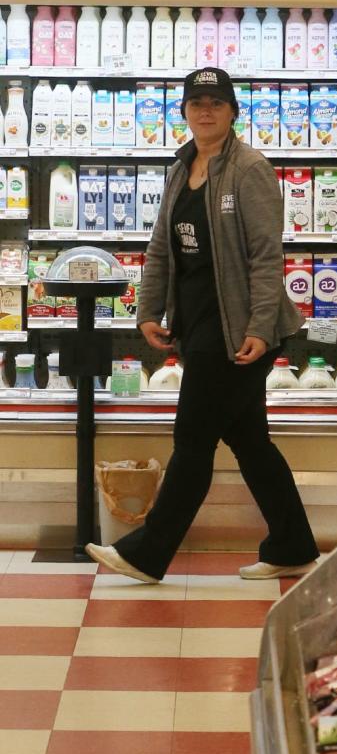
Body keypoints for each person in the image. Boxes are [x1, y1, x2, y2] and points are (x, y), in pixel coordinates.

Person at [85, 66, 319, 584]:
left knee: (191, 439)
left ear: (233, 111)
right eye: (196, 102)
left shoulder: (249, 168)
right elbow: (160, 248)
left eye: (216, 101)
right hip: (197, 324)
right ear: (185, 112)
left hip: (236, 330)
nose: (206, 110)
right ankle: (293, 544)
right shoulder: (180, 167)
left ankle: (148, 552)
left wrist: (259, 326)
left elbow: (265, 256)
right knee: (250, 441)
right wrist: (147, 311)